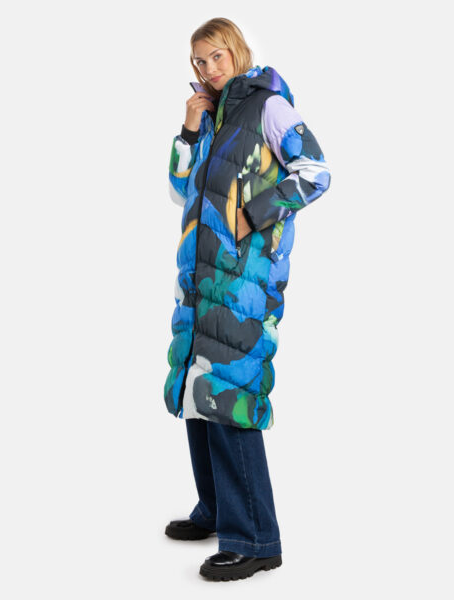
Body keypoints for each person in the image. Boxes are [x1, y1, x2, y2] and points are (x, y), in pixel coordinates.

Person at [163, 18, 331, 581]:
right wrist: (189, 131)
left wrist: (252, 214)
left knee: (229, 397)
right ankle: (217, 510)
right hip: (200, 278)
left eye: (216, 56)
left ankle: (256, 538)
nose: (208, 68)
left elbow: (315, 172)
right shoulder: (212, 115)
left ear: (236, 51)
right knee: (196, 392)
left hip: (243, 281)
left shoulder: (267, 107)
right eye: (199, 61)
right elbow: (180, 191)